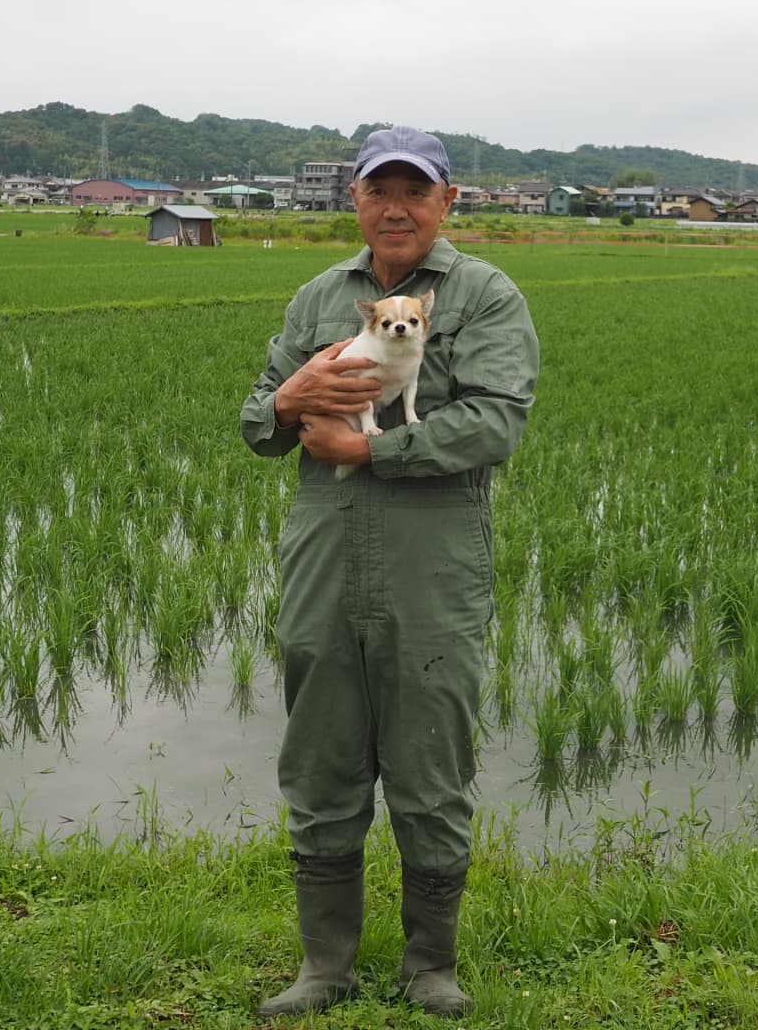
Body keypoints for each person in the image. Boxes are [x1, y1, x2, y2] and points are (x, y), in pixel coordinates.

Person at [239, 125, 539, 1018]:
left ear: (447, 200)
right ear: (356, 200)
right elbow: (260, 421)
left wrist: (374, 451)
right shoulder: (316, 298)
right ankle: (324, 967)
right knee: (322, 759)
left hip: (432, 564)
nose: (395, 206)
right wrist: (291, 401)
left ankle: (429, 965)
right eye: (379, 189)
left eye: (416, 190)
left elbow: (495, 422)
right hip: (324, 556)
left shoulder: (483, 295)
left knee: (429, 765)